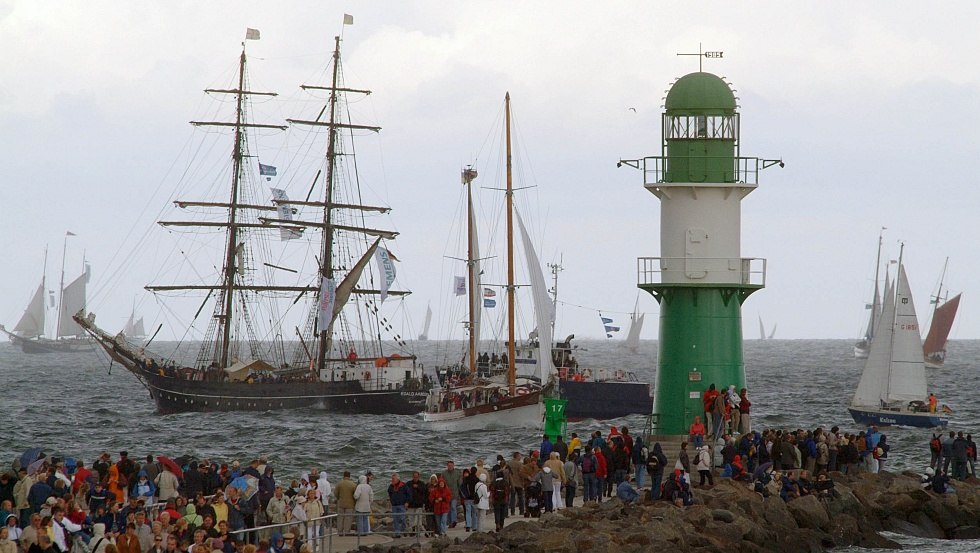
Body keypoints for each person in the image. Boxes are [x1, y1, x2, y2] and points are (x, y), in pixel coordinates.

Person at [332, 472, 355, 537]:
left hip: (341, 503)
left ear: (343, 476)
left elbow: (335, 493)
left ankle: (340, 531)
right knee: (348, 517)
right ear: (349, 476)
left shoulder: (339, 483)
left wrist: (339, 498)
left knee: (340, 517)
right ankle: (347, 531)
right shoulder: (353, 484)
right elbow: (355, 494)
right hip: (350, 503)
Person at [386, 474, 409, 538]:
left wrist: (407, 502)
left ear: (397, 479)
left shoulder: (404, 485)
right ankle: (397, 533)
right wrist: (391, 500)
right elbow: (389, 493)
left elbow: (408, 494)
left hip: (402, 505)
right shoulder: (391, 486)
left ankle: (403, 529)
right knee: (395, 519)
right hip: (394, 505)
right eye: (392, 479)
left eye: (393, 479)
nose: (392, 480)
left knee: (402, 518)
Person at [440, 462, 461, 529]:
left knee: (453, 507)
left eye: (451, 465)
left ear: (453, 466)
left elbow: (459, 484)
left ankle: (453, 521)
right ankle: (449, 522)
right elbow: (441, 483)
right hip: (446, 494)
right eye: (449, 465)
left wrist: (460, 493)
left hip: (454, 493)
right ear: (447, 466)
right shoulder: (444, 473)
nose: (450, 466)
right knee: (447, 508)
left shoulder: (457, 473)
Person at [405, 473, 427, 537]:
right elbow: (406, 493)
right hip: (411, 504)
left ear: (418, 477)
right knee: (410, 519)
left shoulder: (422, 484)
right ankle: (412, 532)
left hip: (419, 505)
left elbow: (424, 492)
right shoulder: (408, 484)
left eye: (416, 477)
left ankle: (418, 533)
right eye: (414, 477)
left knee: (418, 519)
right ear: (412, 477)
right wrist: (406, 502)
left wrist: (418, 487)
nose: (415, 478)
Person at [505, 453, 524, 517]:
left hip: (511, 482)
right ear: (517, 456)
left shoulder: (509, 463)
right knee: (520, 497)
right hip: (518, 482)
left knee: (512, 497)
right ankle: (521, 511)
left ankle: (512, 512)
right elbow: (521, 473)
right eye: (520, 456)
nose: (520, 457)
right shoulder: (519, 464)